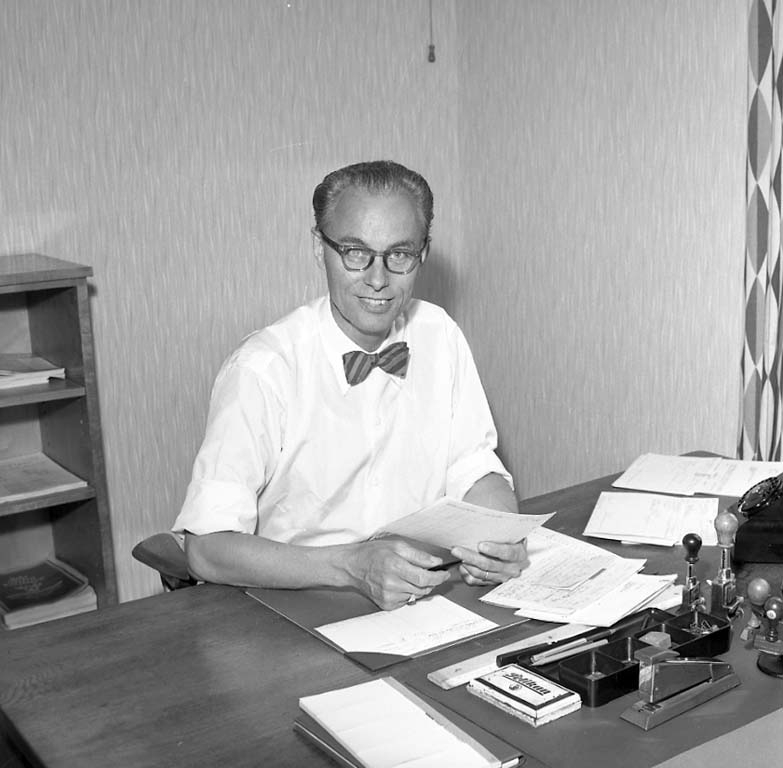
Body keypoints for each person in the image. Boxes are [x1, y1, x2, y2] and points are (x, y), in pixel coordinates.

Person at [172, 160, 527, 610]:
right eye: (356, 252)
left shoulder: (440, 334)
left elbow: (474, 467)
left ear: (423, 253)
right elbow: (206, 549)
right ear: (319, 247)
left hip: (424, 597)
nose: (378, 280)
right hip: (291, 605)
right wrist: (350, 566)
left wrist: (499, 537)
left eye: (399, 254)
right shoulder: (262, 369)